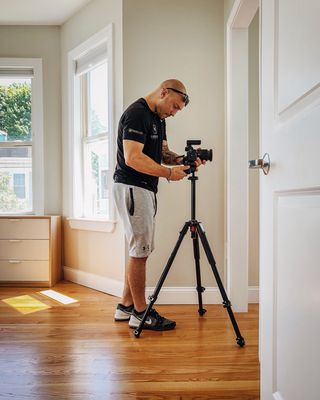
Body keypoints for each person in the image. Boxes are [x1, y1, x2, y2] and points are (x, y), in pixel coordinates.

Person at [113, 79, 202, 331]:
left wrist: (183, 160)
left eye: (177, 110)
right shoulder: (137, 114)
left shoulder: (158, 120)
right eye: (173, 106)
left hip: (145, 189)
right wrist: (167, 173)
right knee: (139, 252)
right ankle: (141, 313)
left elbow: (163, 153)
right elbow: (133, 158)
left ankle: (125, 306)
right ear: (164, 92)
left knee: (138, 249)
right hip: (133, 186)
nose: (173, 113)